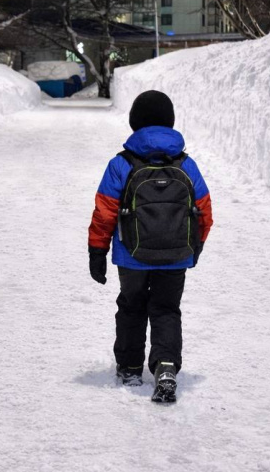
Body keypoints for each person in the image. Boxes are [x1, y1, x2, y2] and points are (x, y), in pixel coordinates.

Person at [87, 90, 213, 403]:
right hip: (174, 256)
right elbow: (205, 211)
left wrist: (97, 251)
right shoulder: (186, 164)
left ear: (135, 124)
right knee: (167, 309)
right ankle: (166, 367)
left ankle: (130, 367)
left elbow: (104, 212)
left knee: (131, 306)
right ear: (169, 122)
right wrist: (192, 248)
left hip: (131, 255)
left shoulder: (122, 163)